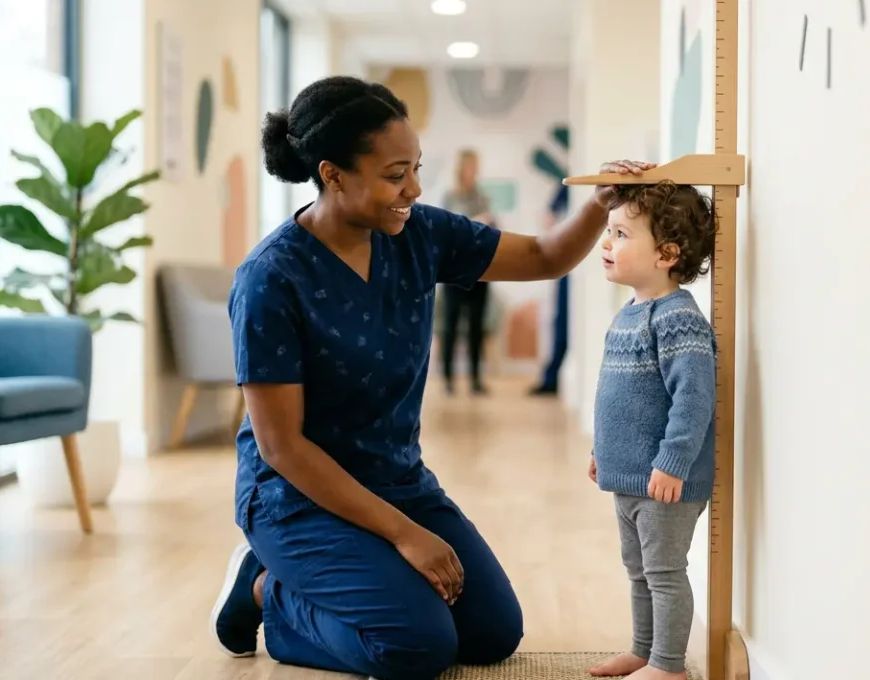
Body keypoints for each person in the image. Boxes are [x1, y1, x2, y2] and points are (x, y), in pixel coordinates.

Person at [208, 74, 654, 680]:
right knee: (416, 646)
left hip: (397, 479)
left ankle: (308, 584)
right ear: (332, 173)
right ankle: (267, 592)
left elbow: (547, 257)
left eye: (415, 168)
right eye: (396, 174)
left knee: (492, 633)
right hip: (297, 499)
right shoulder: (270, 279)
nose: (413, 188)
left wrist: (602, 201)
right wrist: (405, 535)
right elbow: (282, 448)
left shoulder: (418, 233)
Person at [586, 181, 718, 680]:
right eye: (608, 231)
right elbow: (613, 397)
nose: (606, 243)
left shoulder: (679, 318)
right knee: (638, 570)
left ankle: (668, 665)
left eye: (620, 233)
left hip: (665, 480)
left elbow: (694, 398)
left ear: (665, 254)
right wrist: (602, 451)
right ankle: (644, 650)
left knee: (664, 573)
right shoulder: (629, 314)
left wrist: (673, 461)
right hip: (628, 477)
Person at [438, 148, 493, 395]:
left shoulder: (481, 196)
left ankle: (475, 379)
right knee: (450, 325)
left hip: (480, 270)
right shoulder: (450, 196)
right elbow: (450, 229)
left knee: (476, 326)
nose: (475, 171)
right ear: (461, 168)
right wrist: (476, 220)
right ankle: (448, 379)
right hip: (454, 271)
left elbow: (491, 227)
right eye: (471, 166)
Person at [530, 183, 570, 396]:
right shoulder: (565, 188)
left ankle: (551, 378)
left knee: (563, 322)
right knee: (560, 321)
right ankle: (551, 378)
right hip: (567, 266)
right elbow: (548, 219)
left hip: (571, 266)